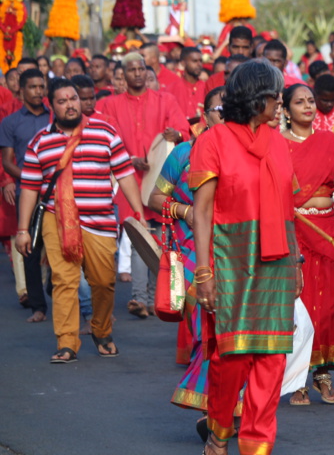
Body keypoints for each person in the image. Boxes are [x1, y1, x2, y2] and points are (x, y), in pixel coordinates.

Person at [190, 59, 301, 455]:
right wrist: (204, 272)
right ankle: (219, 434)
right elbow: (202, 211)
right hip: (230, 261)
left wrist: (296, 262)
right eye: (275, 95)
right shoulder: (213, 141)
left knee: (272, 359)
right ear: (256, 98)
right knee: (231, 358)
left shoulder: (279, 143)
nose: (281, 102)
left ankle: (256, 445)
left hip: (277, 262)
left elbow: (288, 209)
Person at [16, 77, 144, 363]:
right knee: (64, 281)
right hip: (56, 221)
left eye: (73, 99)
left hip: (100, 220)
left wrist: (138, 213)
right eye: (62, 101)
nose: (70, 105)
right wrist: (22, 229)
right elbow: (30, 188)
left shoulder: (105, 132)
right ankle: (67, 342)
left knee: (104, 282)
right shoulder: (40, 142)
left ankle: (101, 330)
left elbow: (125, 174)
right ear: (52, 106)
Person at [147, 87, 225, 437]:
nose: (224, 115)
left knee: (232, 333)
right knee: (204, 329)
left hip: (234, 252)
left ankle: (228, 407)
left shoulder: (243, 153)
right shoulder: (183, 153)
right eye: (218, 109)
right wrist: (184, 210)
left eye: (231, 108)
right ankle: (213, 409)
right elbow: (155, 197)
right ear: (204, 114)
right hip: (193, 255)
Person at [97, 52, 190, 318]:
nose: (137, 74)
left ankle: (154, 297)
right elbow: (105, 140)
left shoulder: (165, 100)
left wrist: (176, 134)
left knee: (163, 237)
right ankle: (141, 297)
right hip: (128, 180)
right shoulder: (110, 105)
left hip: (160, 182)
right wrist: (130, 160)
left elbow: (183, 130)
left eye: (141, 69)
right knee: (139, 235)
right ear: (122, 75)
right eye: (132, 70)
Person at [281, 83, 334, 406]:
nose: (308, 106)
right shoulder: (277, 145)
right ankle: (298, 379)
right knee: (302, 304)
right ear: (286, 110)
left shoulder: (329, 140)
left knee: (331, 305)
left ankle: (323, 374)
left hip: (328, 231)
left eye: (310, 101)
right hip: (294, 232)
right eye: (300, 102)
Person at [0, 68, 50, 322]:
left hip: (56, 192)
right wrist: (32, 179)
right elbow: (7, 161)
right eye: (33, 87)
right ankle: (38, 306)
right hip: (27, 193)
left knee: (62, 245)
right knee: (30, 249)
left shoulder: (54, 118)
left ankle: (64, 293)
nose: (39, 92)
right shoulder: (10, 123)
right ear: (21, 90)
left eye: (41, 86)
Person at [179, 47, 209, 120]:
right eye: (194, 61)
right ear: (183, 63)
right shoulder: (171, 89)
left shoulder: (207, 88)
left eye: (200, 61)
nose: (199, 64)